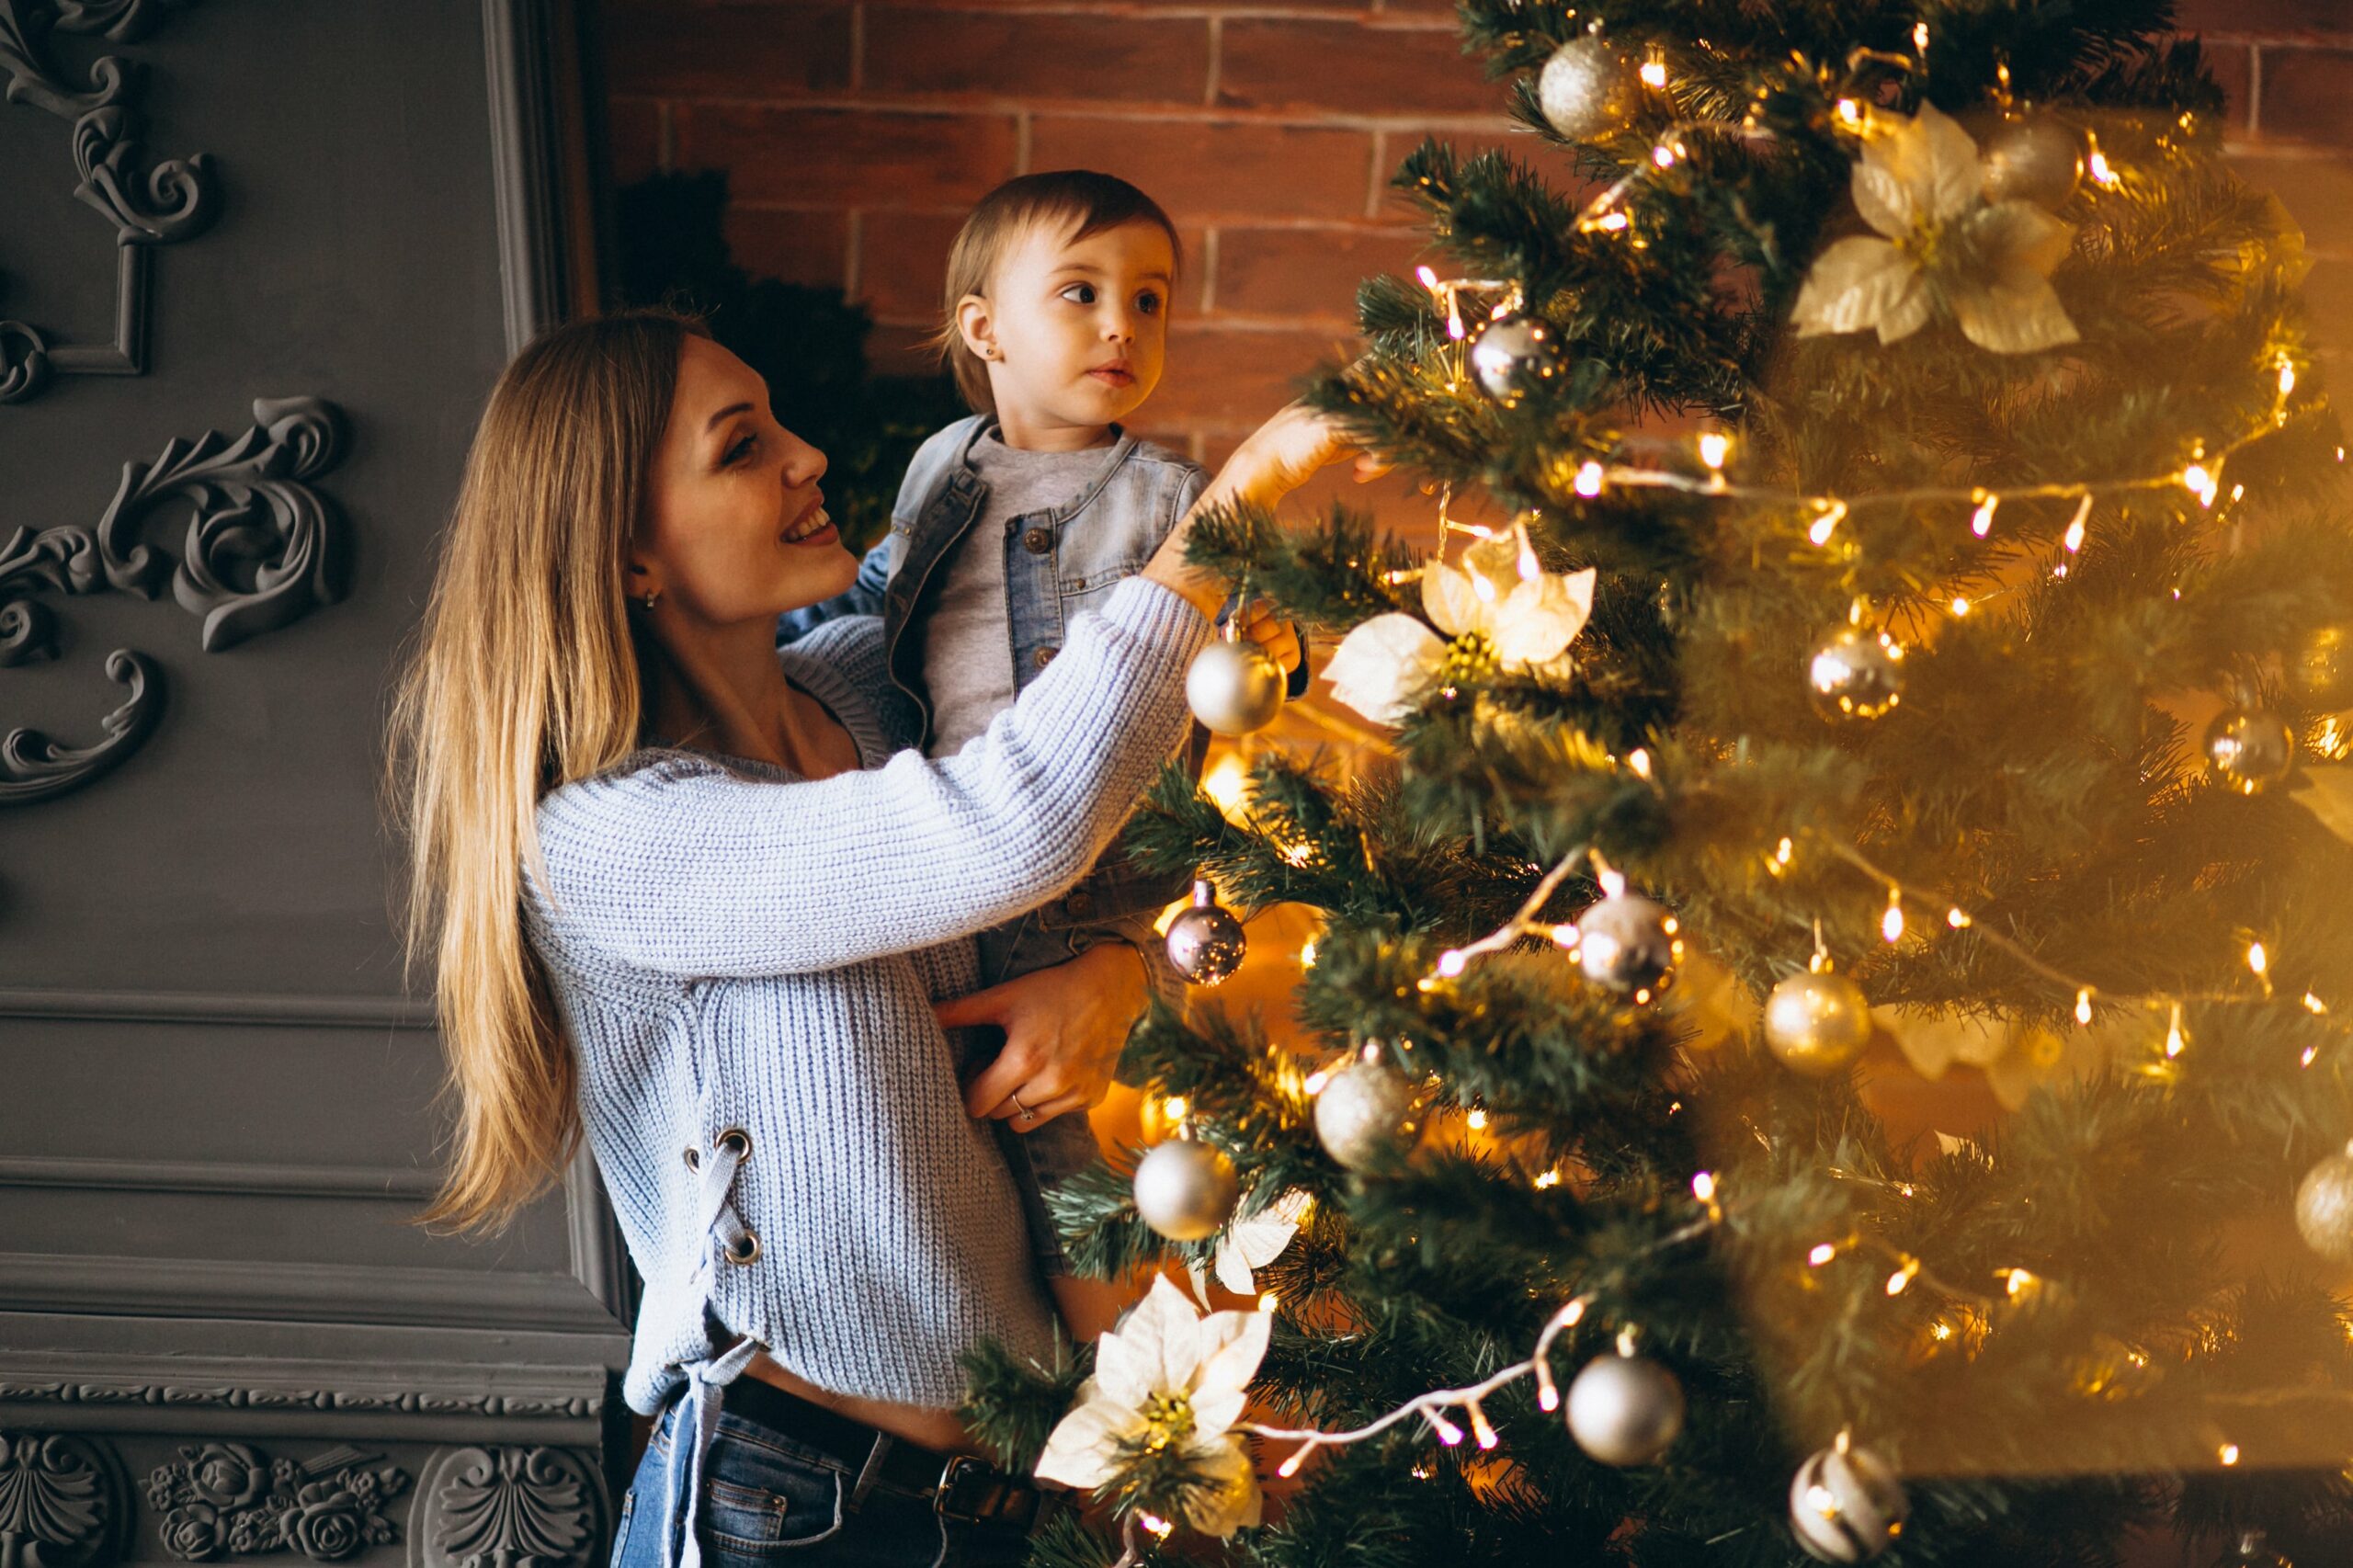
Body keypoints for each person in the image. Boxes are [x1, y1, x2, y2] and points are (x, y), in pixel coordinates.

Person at [390, 307, 1365, 1568]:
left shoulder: (873, 687)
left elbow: (1095, 830)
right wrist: (1238, 503)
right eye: (742, 447)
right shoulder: (611, 838)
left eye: (779, 422)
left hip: (1005, 1503)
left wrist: (1115, 974)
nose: (804, 456)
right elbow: (1013, 824)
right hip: (788, 1505)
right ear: (630, 554)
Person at [778, 170, 1305, 1315]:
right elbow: (880, 592)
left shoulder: (1168, 497)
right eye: (1081, 291)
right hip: (945, 850)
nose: (1124, 324)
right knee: (946, 1150)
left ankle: (1120, 1413)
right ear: (983, 328)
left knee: (1074, 1182)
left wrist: (1273, 643)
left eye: (1151, 300)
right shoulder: (940, 467)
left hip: (1082, 884)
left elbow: (1245, 644)